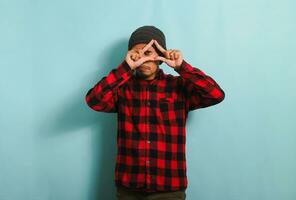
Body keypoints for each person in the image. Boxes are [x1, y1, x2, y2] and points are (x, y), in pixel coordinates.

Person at [85, 25, 225, 200]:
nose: (143, 59)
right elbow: (93, 101)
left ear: (161, 56)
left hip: (169, 188)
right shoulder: (121, 89)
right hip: (129, 188)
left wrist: (181, 66)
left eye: (149, 52)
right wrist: (125, 67)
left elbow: (216, 95)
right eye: (138, 52)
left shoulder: (178, 86)